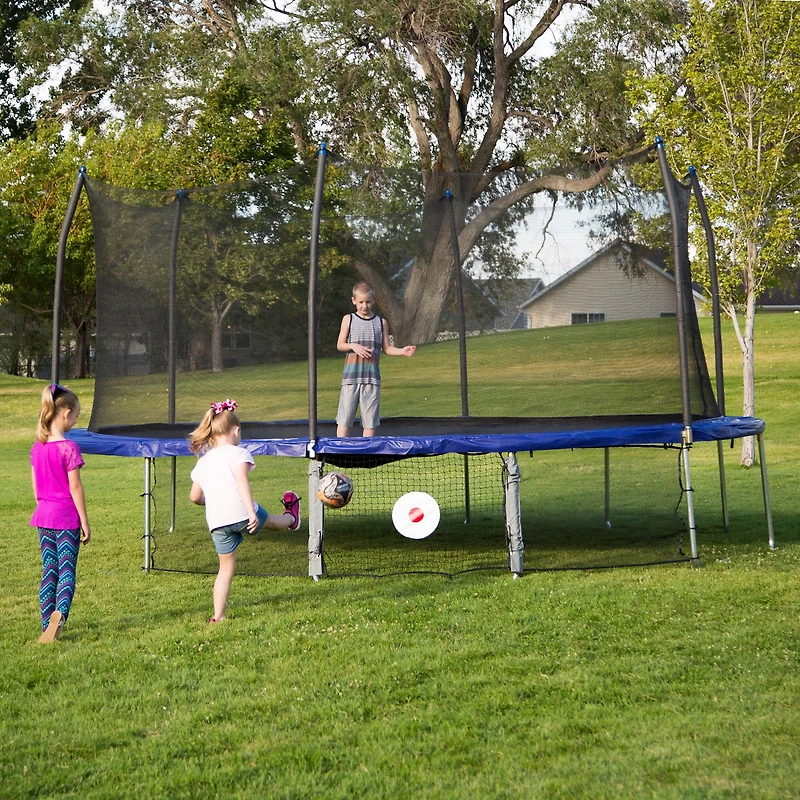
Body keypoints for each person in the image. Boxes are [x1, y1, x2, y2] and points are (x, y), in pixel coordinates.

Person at [188, 399, 301, 623]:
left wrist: (212, 501)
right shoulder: (239, 453)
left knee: (225, 569)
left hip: (217, 521)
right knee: (270, 521)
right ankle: (291, 518)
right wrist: (250, 512)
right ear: (236, 431)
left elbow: (194, 497)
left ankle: (218, 617)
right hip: (242, 513)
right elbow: (241, 481)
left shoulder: (203, 461)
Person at [31, 383, 91, 643]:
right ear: (65, 413)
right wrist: (85, 521)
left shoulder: (37, 447)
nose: (75, 421)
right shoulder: (69, 447)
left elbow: (36, 490)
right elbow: (75, 487)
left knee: (49, 569)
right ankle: (60, 616)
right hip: (66, 518)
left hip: (43, 517)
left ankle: (47, 625)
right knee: (67, 570)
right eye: (76, 416)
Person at [336, 281, 416, 437]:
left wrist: (402, 351)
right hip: (351, 378)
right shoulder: (349, 319)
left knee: (370, 421)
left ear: (374, 301)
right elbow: (340, 345)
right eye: (361, 302)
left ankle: (367, 449)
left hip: (372, 379)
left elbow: (387, 348)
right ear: (354, 301)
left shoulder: (381, 322)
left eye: (368, 302)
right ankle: (341, 448)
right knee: (344, 419)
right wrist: (354, 346)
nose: (364, 306)